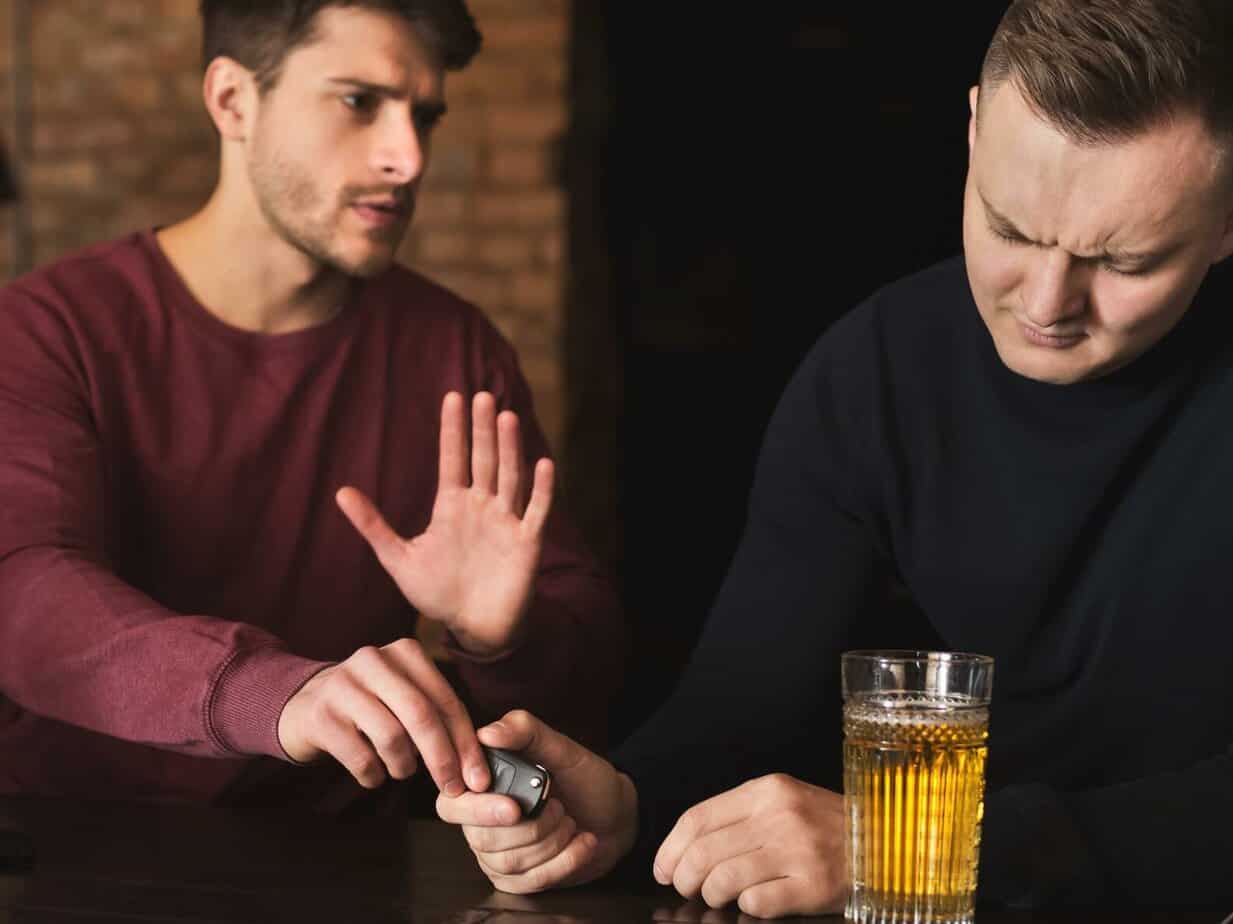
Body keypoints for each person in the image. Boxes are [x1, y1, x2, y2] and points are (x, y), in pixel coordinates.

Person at [437, 0, 1233, 914]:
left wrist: (907, 849)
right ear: (973, 129)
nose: (1048, 303)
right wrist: (623, 807)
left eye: (1124, 263)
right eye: (1009, 230)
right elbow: (740, 711)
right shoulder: (876, 370)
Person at [0, 0, 626, 814]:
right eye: (357, 102)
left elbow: (586, 669)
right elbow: (26, 590)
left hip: (349, 861)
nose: (407, 158)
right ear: (232, 101)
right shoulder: (48, 329)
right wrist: (276, 695)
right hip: (73, 851)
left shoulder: (453, 348)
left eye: (423, 116)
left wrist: (497, 643)